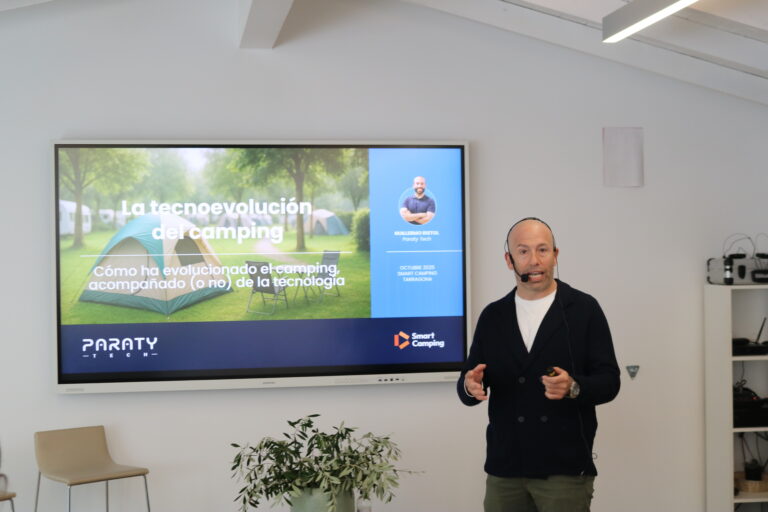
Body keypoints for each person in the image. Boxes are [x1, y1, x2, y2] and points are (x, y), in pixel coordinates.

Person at [458, 217, 620, 512]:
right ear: (509, 260)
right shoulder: (493, 316)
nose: (534, 260)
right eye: (523, 251)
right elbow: (467, 385)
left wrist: (573, 387)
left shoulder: (584, 309)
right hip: (505, 467)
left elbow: (610, 382)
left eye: (542, 250)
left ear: (555, 255)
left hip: (564, 467)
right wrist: (471, 385)